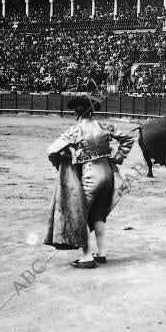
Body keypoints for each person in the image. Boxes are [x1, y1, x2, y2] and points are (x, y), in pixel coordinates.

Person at [44, 96, 133, 268]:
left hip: (90, 174)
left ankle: (86, 257)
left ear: (76, 113)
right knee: (98, 215)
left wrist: (62, 166)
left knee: (80, 215)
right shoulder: (105, 125)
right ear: (92, 111)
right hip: (108, 173)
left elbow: (51, 151)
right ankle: (101, 253)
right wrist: (118, 157)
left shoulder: (75, 130)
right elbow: (128, 138)